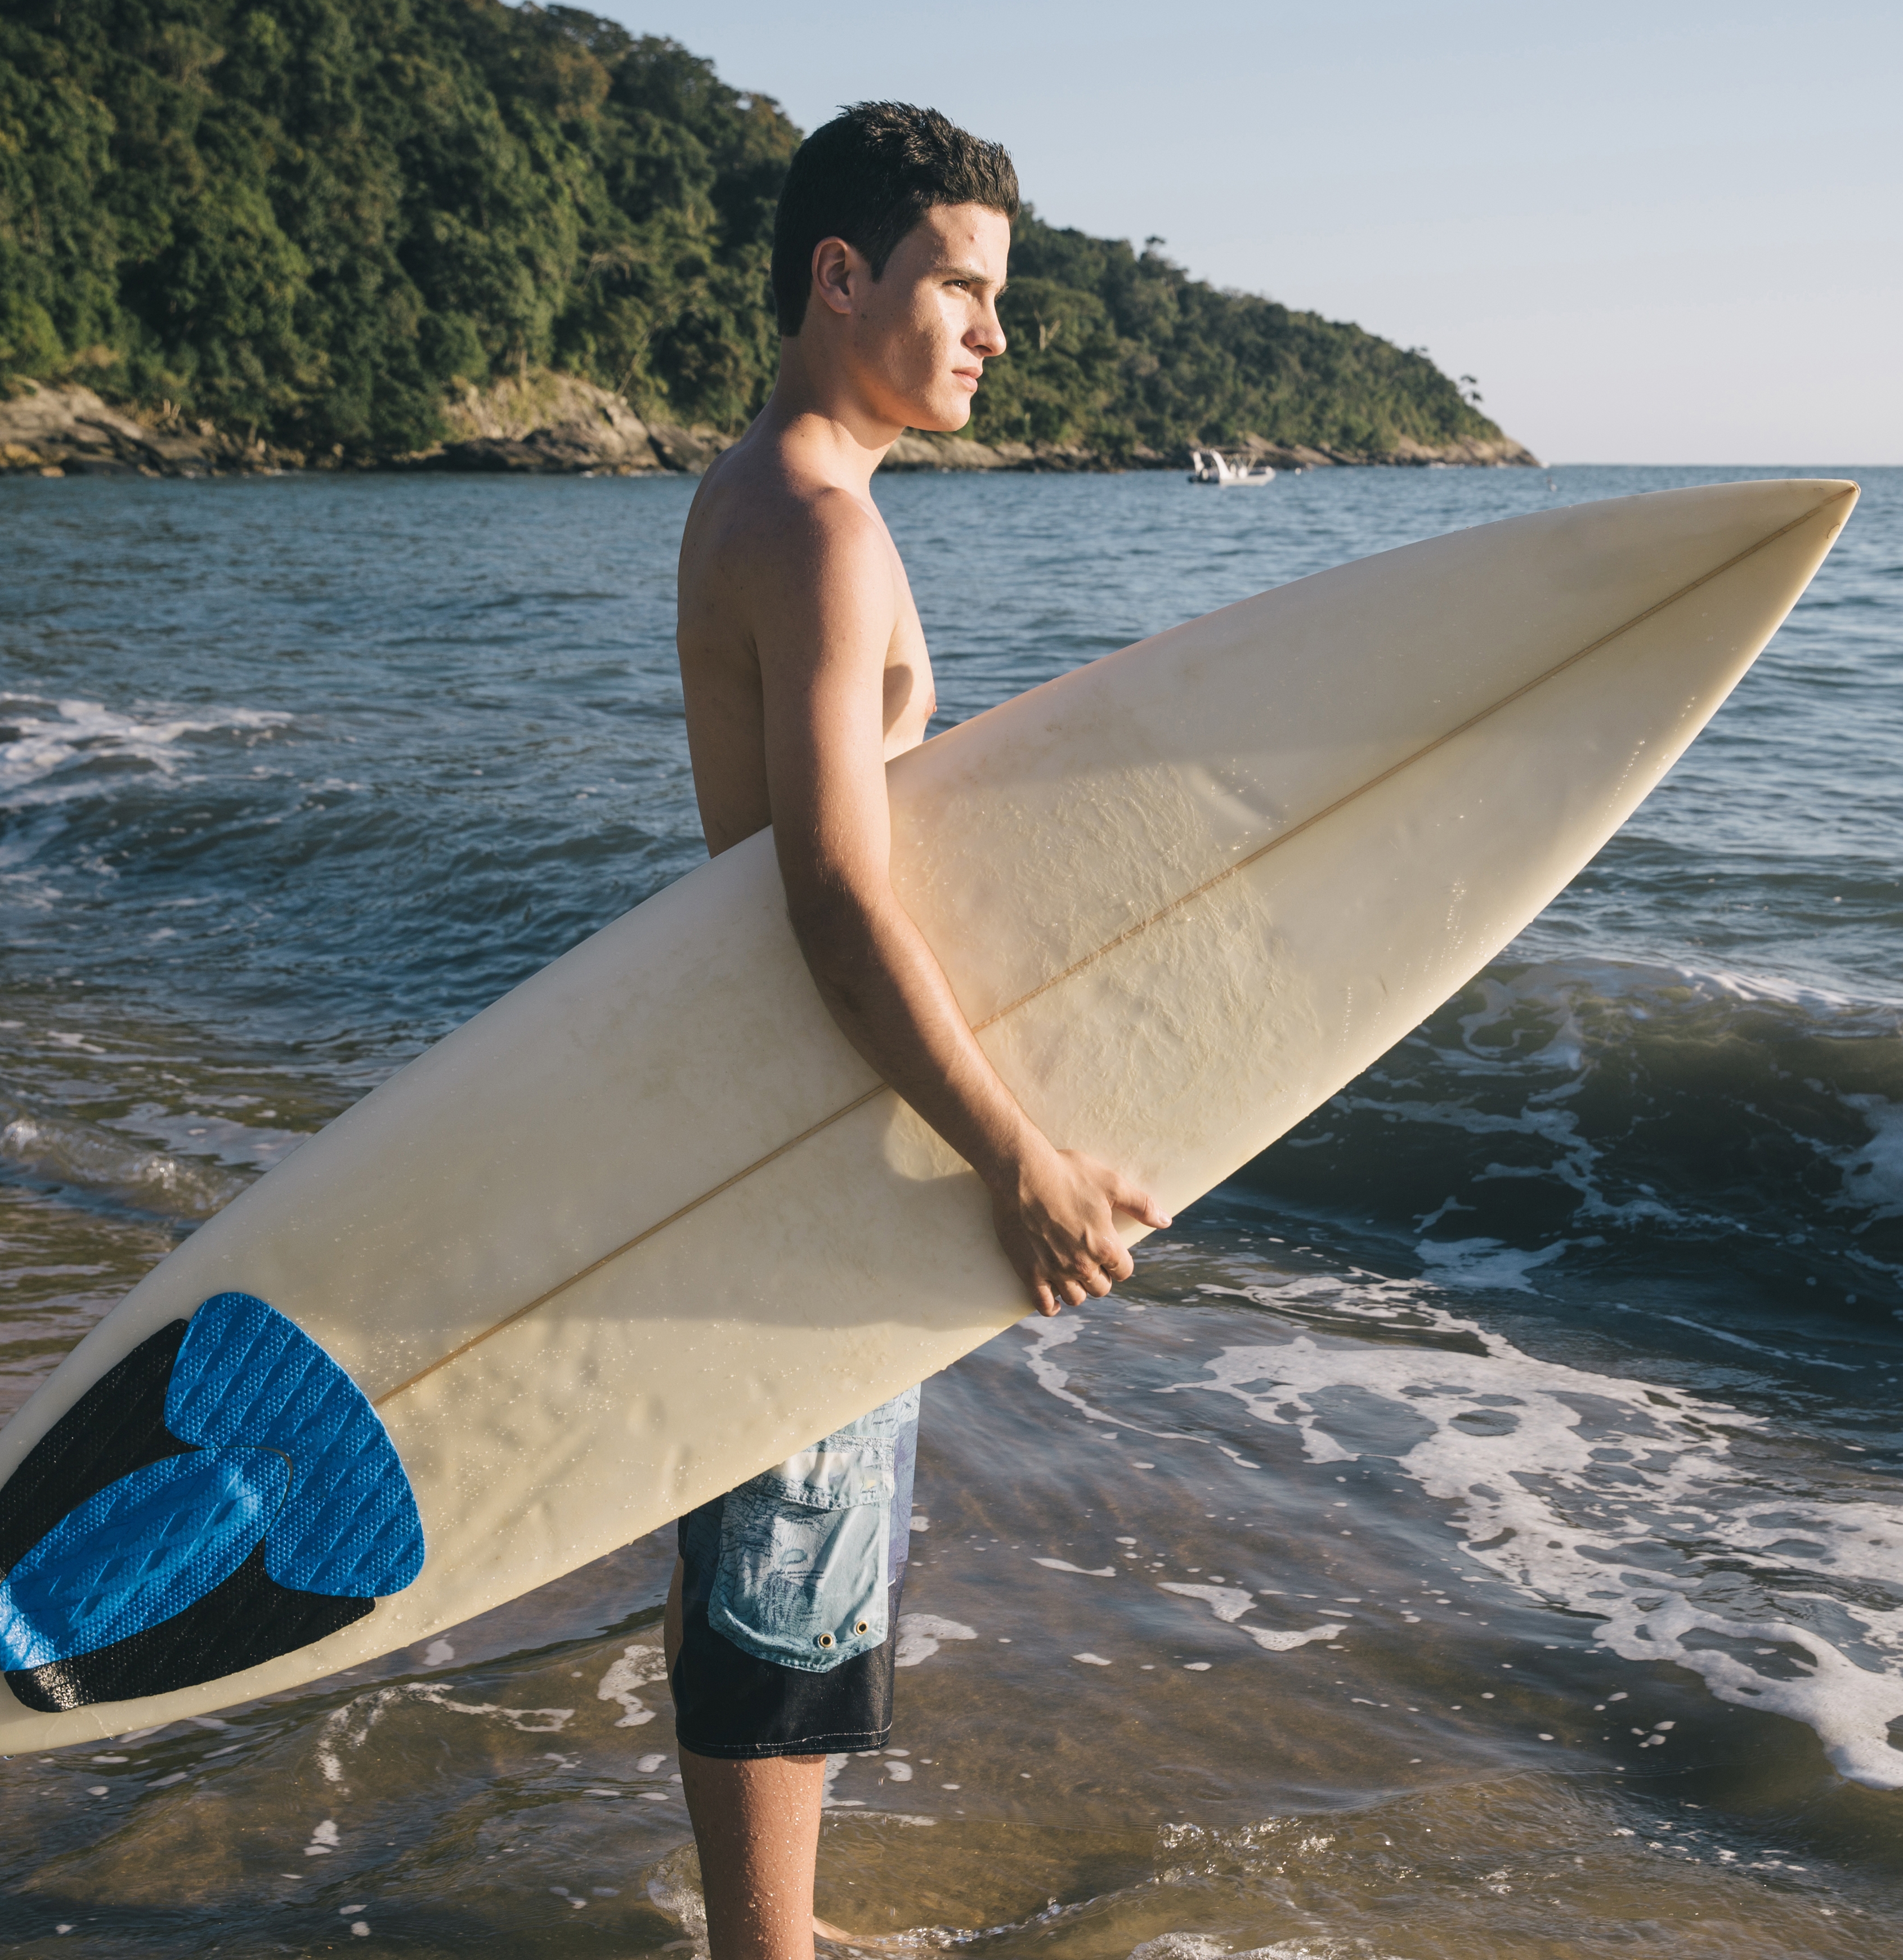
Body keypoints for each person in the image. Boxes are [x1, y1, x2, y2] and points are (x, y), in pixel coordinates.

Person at [662, 102, 1170, 1960]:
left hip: (787, 1093)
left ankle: (763, 1937)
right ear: (841, 276)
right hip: (826, 1104)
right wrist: (1016, 1157)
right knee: (792, 1554)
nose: (993, 329)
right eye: (963, 282)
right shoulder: (812, 529)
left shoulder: (764, 494)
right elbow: (835, 894)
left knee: (768, 1536)